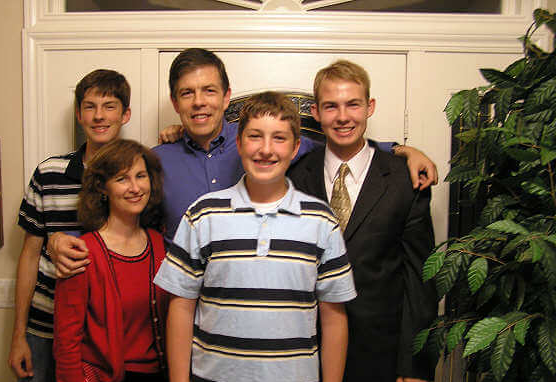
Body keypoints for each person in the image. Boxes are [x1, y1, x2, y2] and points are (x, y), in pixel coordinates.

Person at [47, 48, 438, 273]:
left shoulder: (260, 145)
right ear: (174, 102)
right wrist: (66, 241)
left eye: (209, 90)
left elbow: (338, 146)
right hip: (180, 305)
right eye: (187, 94)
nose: (199, 102)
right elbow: (123, 222)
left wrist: (399, 150)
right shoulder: (157, 159)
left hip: (260, 299)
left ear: (226, 94)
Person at [155, 91, 355, 382]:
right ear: (239, 142)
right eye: (255, 136)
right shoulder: (203, 214)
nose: (266, 149)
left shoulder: (321, 221)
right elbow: (181, 309)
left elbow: (334, 319)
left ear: (295, 149)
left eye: (279, 138)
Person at [288, 60, 438, 382]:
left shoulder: (405, 177)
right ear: (316, 112)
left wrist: (416, 360)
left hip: (386, 365)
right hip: (308, 365)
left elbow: (421, 275)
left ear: (369, 107)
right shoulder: (295, 176)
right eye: (331, 106)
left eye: (352, 105)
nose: (342, 117)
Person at [7, 69, 131, 382]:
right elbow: (29, 255)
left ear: (124, 115)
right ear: (79, 114)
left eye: (109, 106)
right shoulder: (50, 173)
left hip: (104, 335)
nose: (99, 116)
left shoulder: (134, 175)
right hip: (44, 330)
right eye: (90, 106)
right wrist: (18, 336)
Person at [54, 139, 171, 382]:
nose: (134, 187)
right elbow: (66, 344)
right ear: (102, 188)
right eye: (122, 178)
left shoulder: (160, 244)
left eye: (140, 175)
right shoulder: (81, 252)